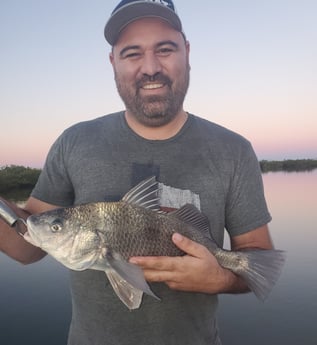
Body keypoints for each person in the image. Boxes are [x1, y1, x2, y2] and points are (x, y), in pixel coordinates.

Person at [0, 1, 275, 344]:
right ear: (113, 61)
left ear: (187, 52)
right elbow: (29, 244)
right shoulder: (74, 141)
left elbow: (260, 264)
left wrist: (218, 278)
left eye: (165, 49)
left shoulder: (234, 150)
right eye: (132, 53)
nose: (150, 68)